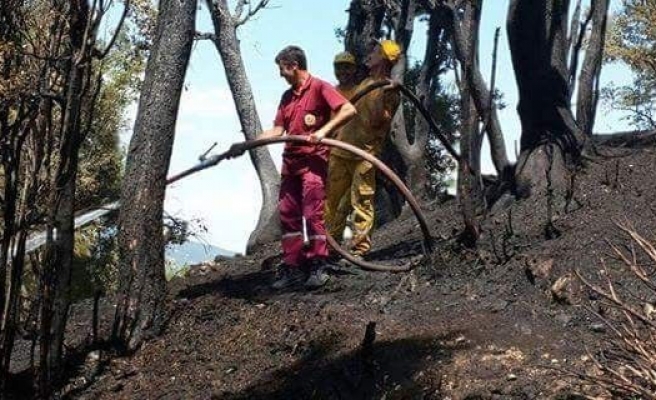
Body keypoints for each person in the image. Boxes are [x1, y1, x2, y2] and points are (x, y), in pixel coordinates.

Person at [258, 45, 356, 289]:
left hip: (314, 161)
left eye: (282, 69)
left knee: (312, 214)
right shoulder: (287, 97)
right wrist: (253, 140)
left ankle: (317, 264)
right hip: (290, 164)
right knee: (289, 215)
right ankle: (292, 266)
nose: (280, 74)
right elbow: (279, 130)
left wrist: (323, 132)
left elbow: (348, 109)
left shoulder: (320, 87)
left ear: (293, 66)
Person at [325, 40, 402, 258]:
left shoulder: (390, 92)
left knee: (361, 202)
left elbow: (379, 121)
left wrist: (385, 91)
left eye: (376, 51)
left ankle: (360, 249)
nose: (370, 54)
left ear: (385, 58)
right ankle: (329, 247)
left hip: (364, 156)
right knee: (331, 203)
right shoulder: (365, 82)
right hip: (340, 151)